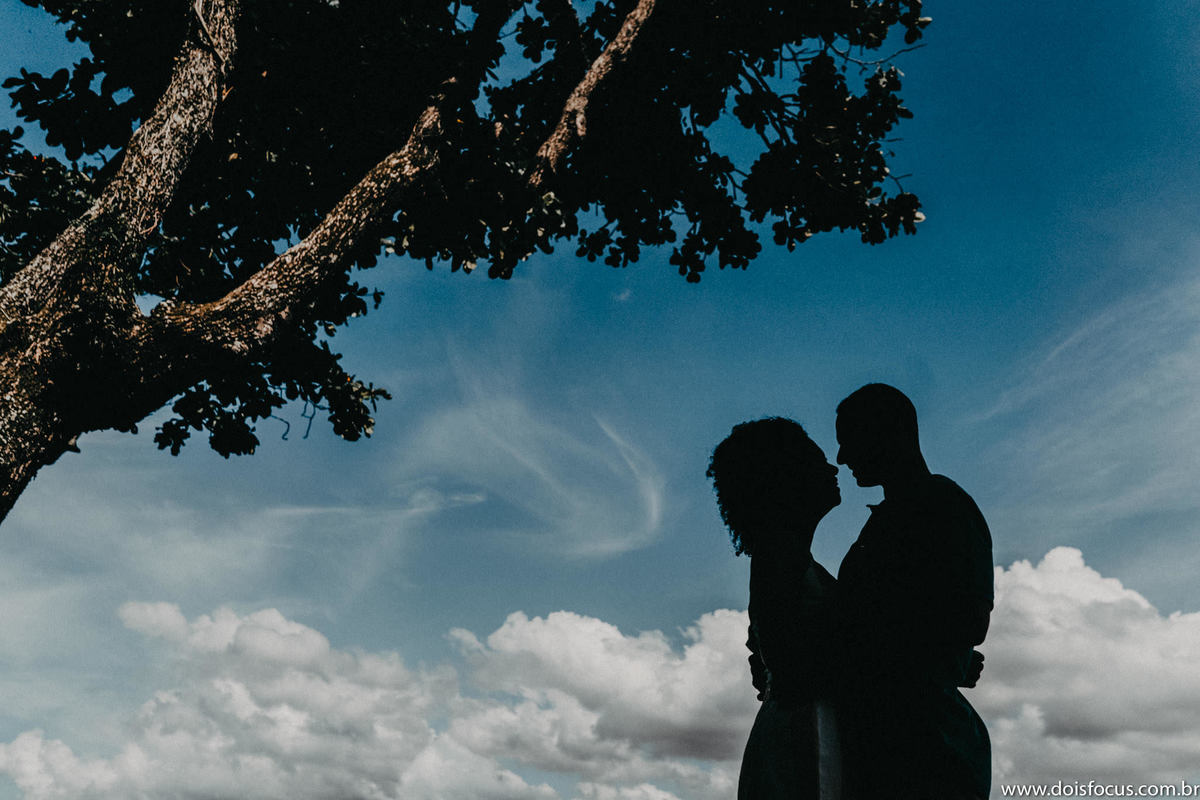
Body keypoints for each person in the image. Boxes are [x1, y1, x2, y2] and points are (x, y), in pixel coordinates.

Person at [834, 384, 993, 800]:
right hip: (893, 742)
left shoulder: (940, 506)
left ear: (889, 432)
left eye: (848, 440)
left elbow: (964, 621)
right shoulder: (895, 515)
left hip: (923, 750)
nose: (841, 457)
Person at [708, 417, 845, 800]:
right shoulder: (779, 555)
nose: (833, 468)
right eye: (818, 462)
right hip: (804, 737)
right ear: (786, 478)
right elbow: (793, 666)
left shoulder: (786, 555)